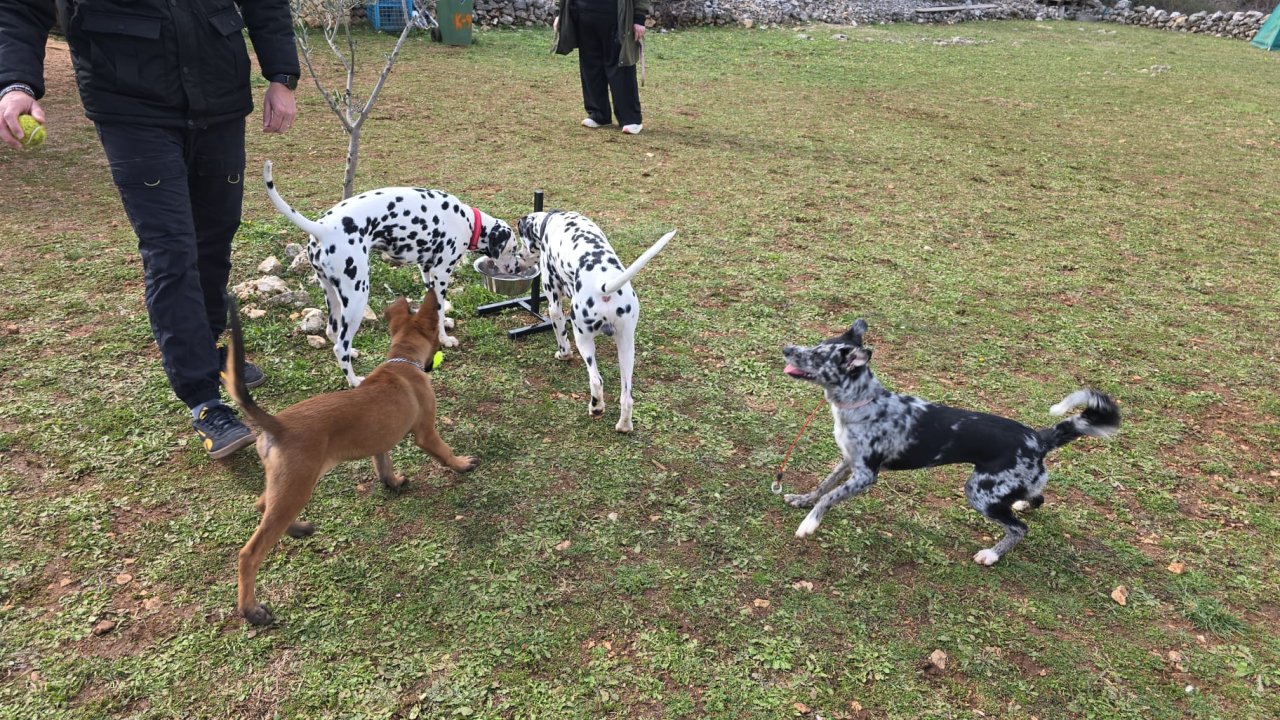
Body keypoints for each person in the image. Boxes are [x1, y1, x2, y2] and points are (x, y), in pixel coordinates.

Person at [0, 0, 300, 458]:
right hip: (131, 105)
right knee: (172, 251)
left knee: (215, 237)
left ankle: (206, 346)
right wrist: (16, 83)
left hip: (218, 95)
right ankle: (204, 400)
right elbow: (21, 7)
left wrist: (281, 75)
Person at [551, 0, 649, 134]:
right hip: (584, 15)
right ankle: (599, 114)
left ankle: (630, 119)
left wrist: (639, 18)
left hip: (615, 17)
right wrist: (559, 13)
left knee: (621, 67)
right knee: (591, 67)